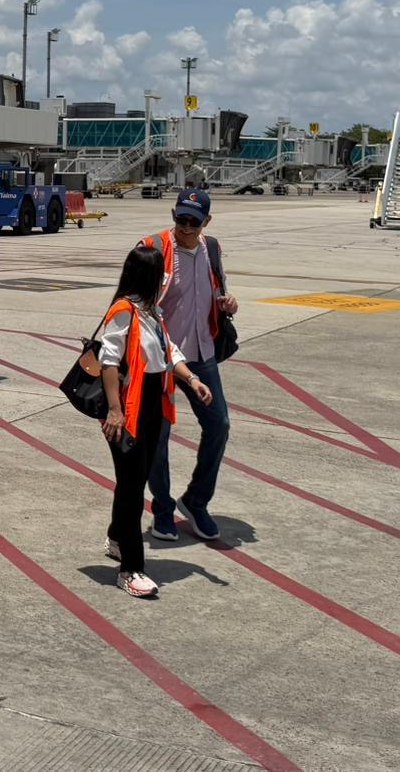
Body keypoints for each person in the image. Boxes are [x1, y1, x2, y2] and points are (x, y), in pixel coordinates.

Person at [99, 245, 212, 598]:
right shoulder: (123, 311)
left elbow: (169, 352)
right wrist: (115, 410)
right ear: (148, 277)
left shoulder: (151, 311)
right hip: (128, 408)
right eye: (160, 274)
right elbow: (108, 362)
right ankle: (130, 570)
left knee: (132, 481)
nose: (165, 280)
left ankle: (117, 538)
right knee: (133, 488)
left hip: (153, 405)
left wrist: (192, 379)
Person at [141, 189, 239, 542]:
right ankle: (162, 510)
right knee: (159, 436)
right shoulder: (153, 248)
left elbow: (215, 292)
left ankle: (196, 500)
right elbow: (136, 303)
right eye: (180, 219)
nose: (185, 227)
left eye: (193, 222)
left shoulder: (211, 249)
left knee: (219, 425)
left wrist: (228, 303)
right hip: (162, 359)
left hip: (201, 352)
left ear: (206, 222)